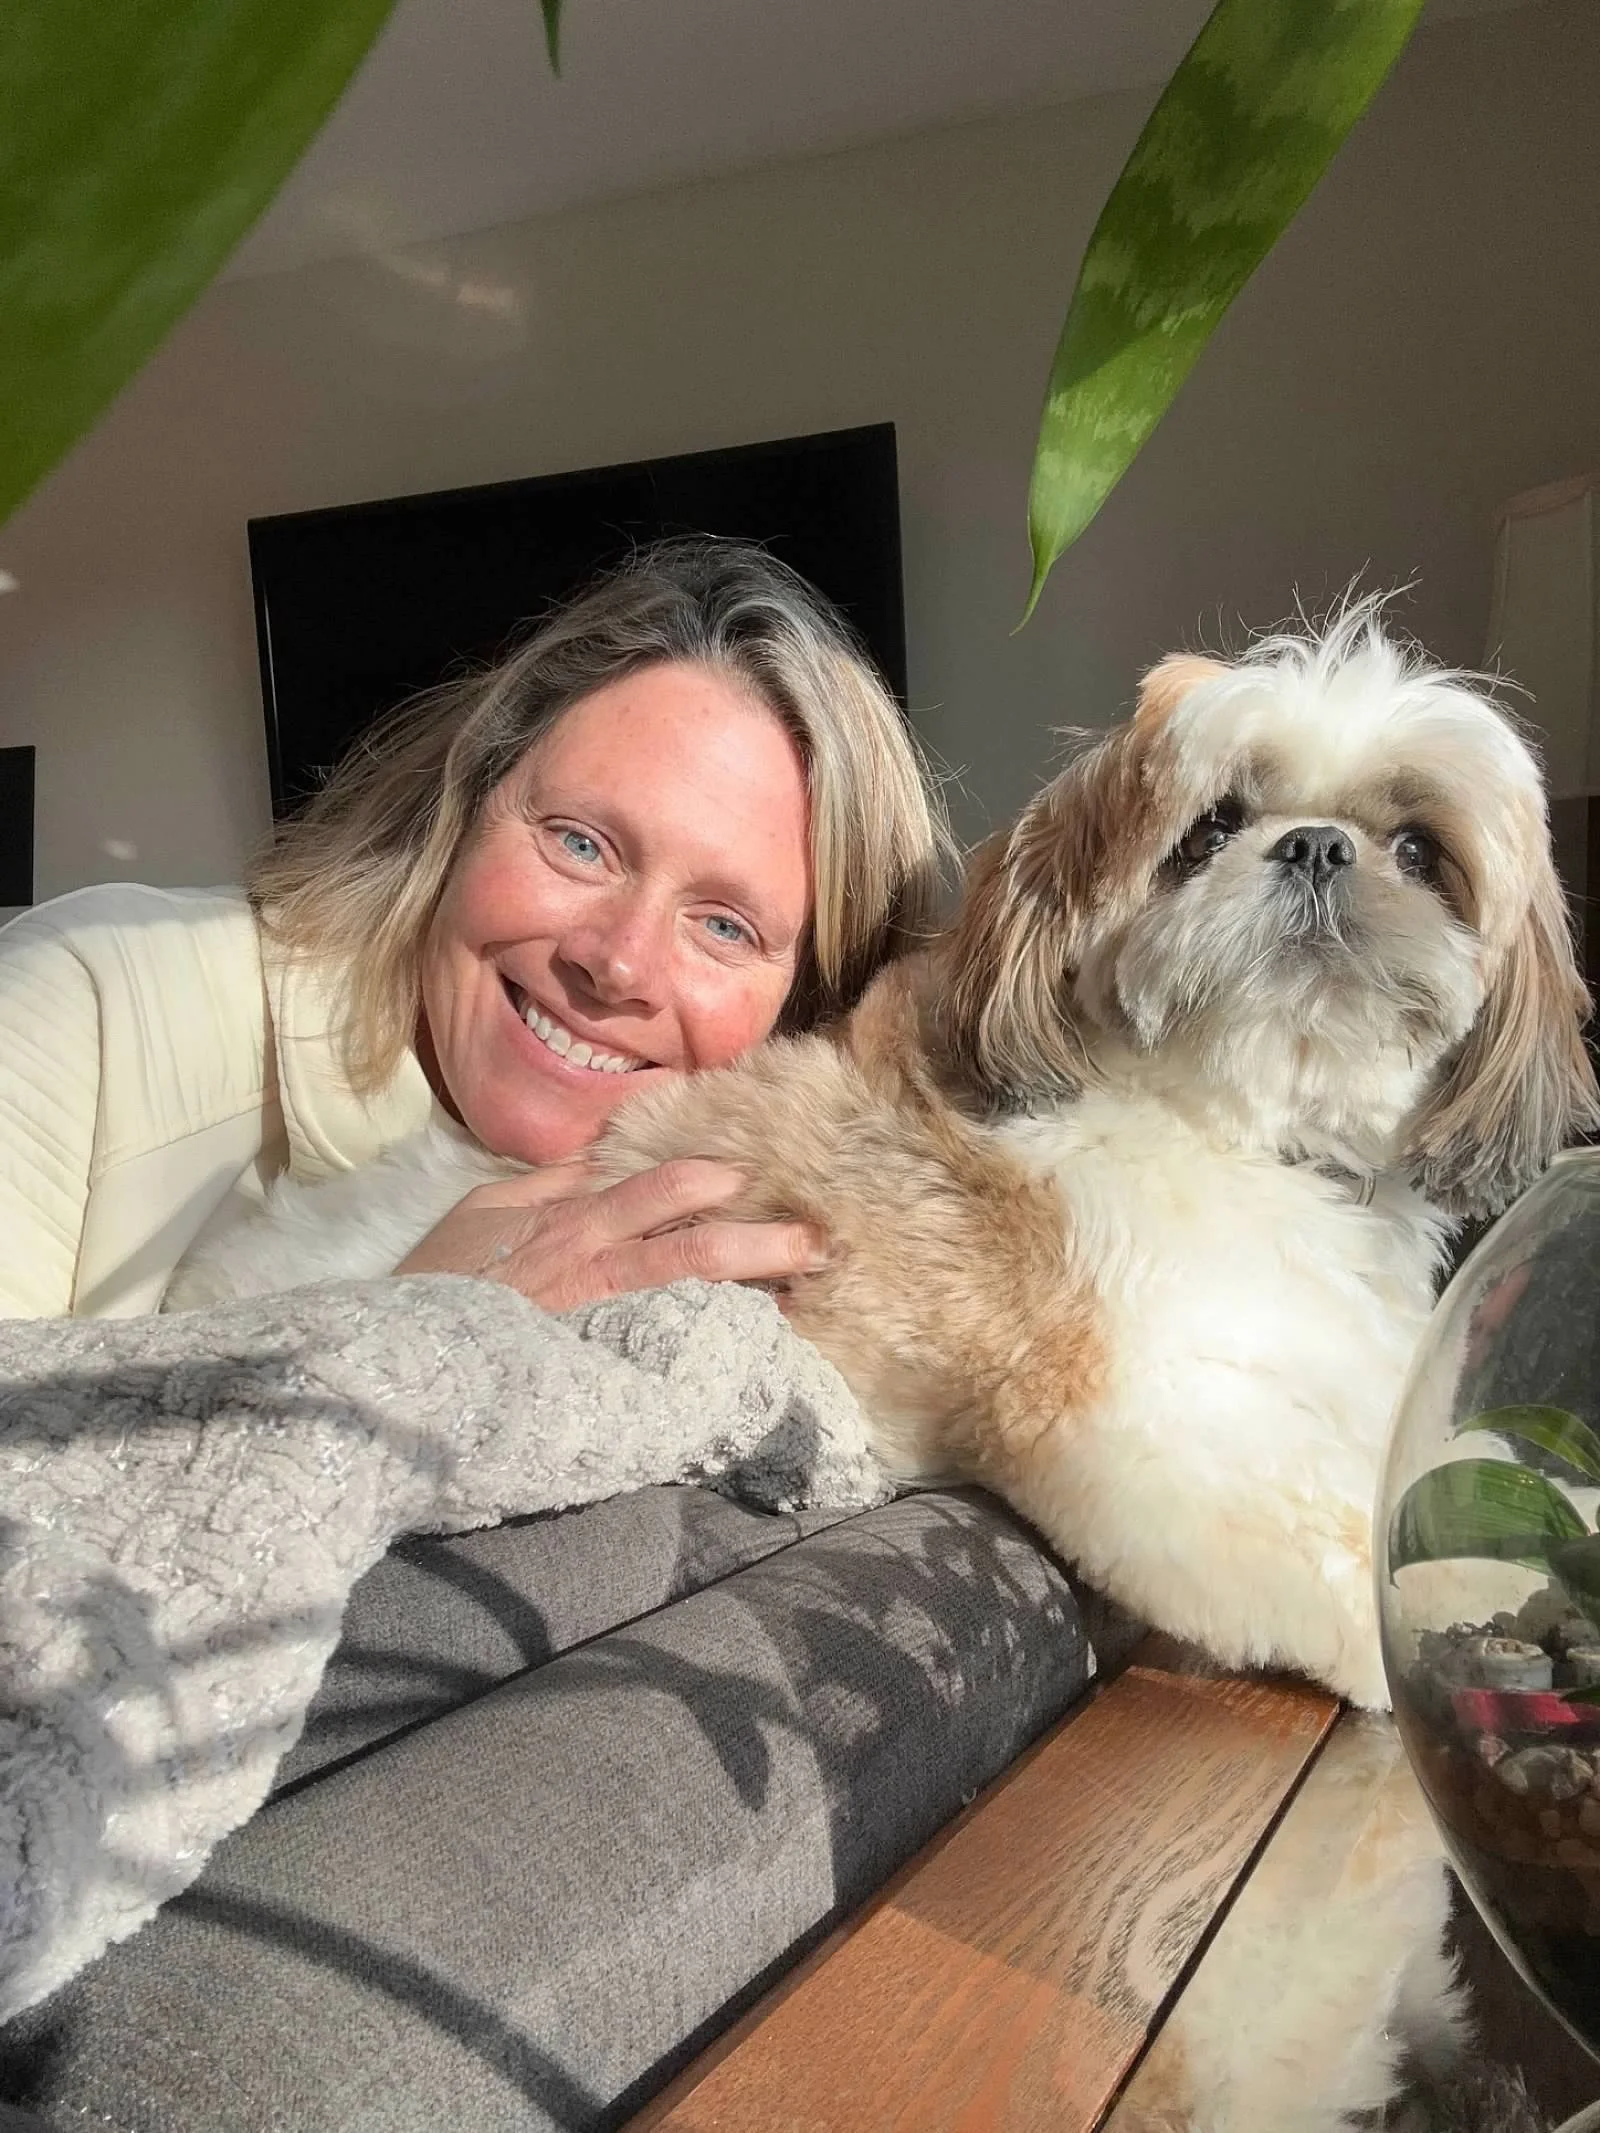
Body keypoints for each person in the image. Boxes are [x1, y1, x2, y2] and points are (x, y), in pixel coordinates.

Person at [0, 538, 949, 1319]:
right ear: (461, 805)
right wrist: (415, 1333)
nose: (618, 962)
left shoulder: (779, 1260)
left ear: (807, 1008)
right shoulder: (86, 1005)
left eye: (726, 927)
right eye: (580, 843)